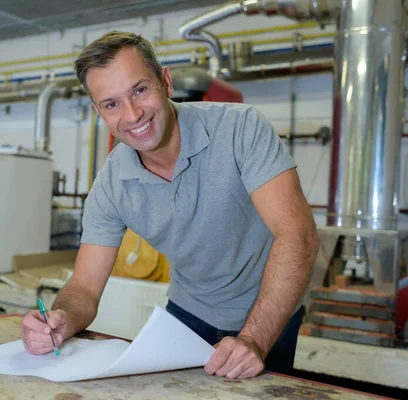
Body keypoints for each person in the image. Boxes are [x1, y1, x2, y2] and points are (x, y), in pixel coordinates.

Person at [19, 30, 319, 379]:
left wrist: (253, 339)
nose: (132, 115)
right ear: (99, 111)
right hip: (188, 315)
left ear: (166, 82)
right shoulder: (111, 185)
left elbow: (299, 237)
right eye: (112, 104)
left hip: (270, 314)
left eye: (140, 90)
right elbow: (84, 288)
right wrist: (60, 320)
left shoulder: (240, 129)